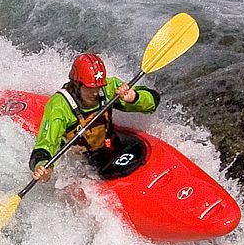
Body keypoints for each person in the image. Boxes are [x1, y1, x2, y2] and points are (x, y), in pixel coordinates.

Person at [29, 52, 160, 183]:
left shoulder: (109, 88)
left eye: (98, 87)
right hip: (81, 163)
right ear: (77, 84)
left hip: (110, 147)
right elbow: (46, 145)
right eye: (90, 88)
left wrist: (134, 97)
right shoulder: (59, 106)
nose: (95, 92)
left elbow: (153, 101)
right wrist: (42, 166)